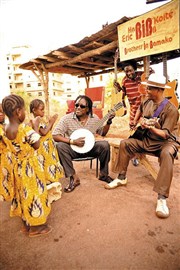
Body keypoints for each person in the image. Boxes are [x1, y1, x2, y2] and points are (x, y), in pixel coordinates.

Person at [105, 73, 179, 219]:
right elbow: (140, 108)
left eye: (149, 88)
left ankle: (162, 198)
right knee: (125, 144)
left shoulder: (171, 110)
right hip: (147, 140)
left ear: (158, 90)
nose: (146, 91)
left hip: (164, 143)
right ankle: (121, 177)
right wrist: (136, 121)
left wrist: (149, 126)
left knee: (167, 154)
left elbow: (165, 134)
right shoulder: (147, 101)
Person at [1, 94, 52, 237]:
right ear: (18, 112)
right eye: (23, 110)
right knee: (34, 194)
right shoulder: (24, 129)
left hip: (18, 168)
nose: (24, 112)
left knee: (22, 194)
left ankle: (26, 224)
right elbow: (36, 144)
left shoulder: (5, 129)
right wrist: (35, 127)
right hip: (31, 168)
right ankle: (36, 228)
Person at [52, 95, 115, 192]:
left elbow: (103, 132)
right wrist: (72, 141)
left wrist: (109, 121)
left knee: (104, 145)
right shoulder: (66, 119)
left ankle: (103, 174)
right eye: (76, 105)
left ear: (88, 109)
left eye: (82, 106)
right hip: (73, 149)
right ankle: (74, 178)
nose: (78, 108)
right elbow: (55, 135)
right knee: (60, 146)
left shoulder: (94, 119)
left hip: (90, 148)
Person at [114, 60, 153, 166]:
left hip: (145, 110)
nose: (129, 73)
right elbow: (123, 93)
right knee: (133, 134)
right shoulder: (124, 81)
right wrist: (118, 88)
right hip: (133, 111)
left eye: (130, 70)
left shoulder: (142, 75)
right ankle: (134, 155)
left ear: (135, 69)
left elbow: (152, 75)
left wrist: (149, 72)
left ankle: (139, 154)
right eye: (126, 71)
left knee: (143, 133)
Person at [29, 99, 64, 203]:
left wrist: (50, 123)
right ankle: (48, 190)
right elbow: (44, 132)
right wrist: (52, 121)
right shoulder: (36, 120)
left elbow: (48, 130)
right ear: (34, 110)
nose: (43, 112)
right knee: (46, 167)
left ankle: (52, 189)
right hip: (43, 150)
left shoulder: (40, 119)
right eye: (41, 109)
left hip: (49, 148)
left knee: (51, 166)